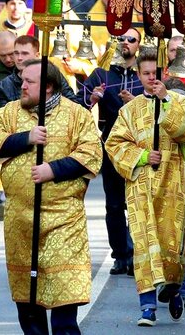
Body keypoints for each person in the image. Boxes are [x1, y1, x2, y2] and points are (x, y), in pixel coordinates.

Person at [0, 59, 103, 334]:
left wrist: (54, 169)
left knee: (64, 293)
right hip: (21, 219)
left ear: (49, 87)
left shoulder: (77, 115)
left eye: (29, 82)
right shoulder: (9, 113)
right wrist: (27, 137)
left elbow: (92, 154)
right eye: (21, 80)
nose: (22, 86)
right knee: (27, 300)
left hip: (63, 219)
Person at [105, 52, 185, 326]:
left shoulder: (179, 100)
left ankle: (173, 290)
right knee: (144, 243)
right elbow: (114, 144)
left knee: (172, 243)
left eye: (156, 74)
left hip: (174, 183)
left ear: (165, 75)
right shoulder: (130, 109)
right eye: (146, 74)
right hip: (142, 185)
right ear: (138, 75)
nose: (151, 79)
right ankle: (147, 306)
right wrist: (144, 157)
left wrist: (165, 100)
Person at [78, 27, 141, 274]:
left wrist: (134, 104)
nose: (125, 42)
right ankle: (121, 255)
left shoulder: (144, 72)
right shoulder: (101, 73)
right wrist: (92, 98)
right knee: (114, 206)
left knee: (138, 204)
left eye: (131, 39)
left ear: (139, 44)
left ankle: (137, 253)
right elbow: (77, 101)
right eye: (120, 38)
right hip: (111, 147)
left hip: (140, 148)